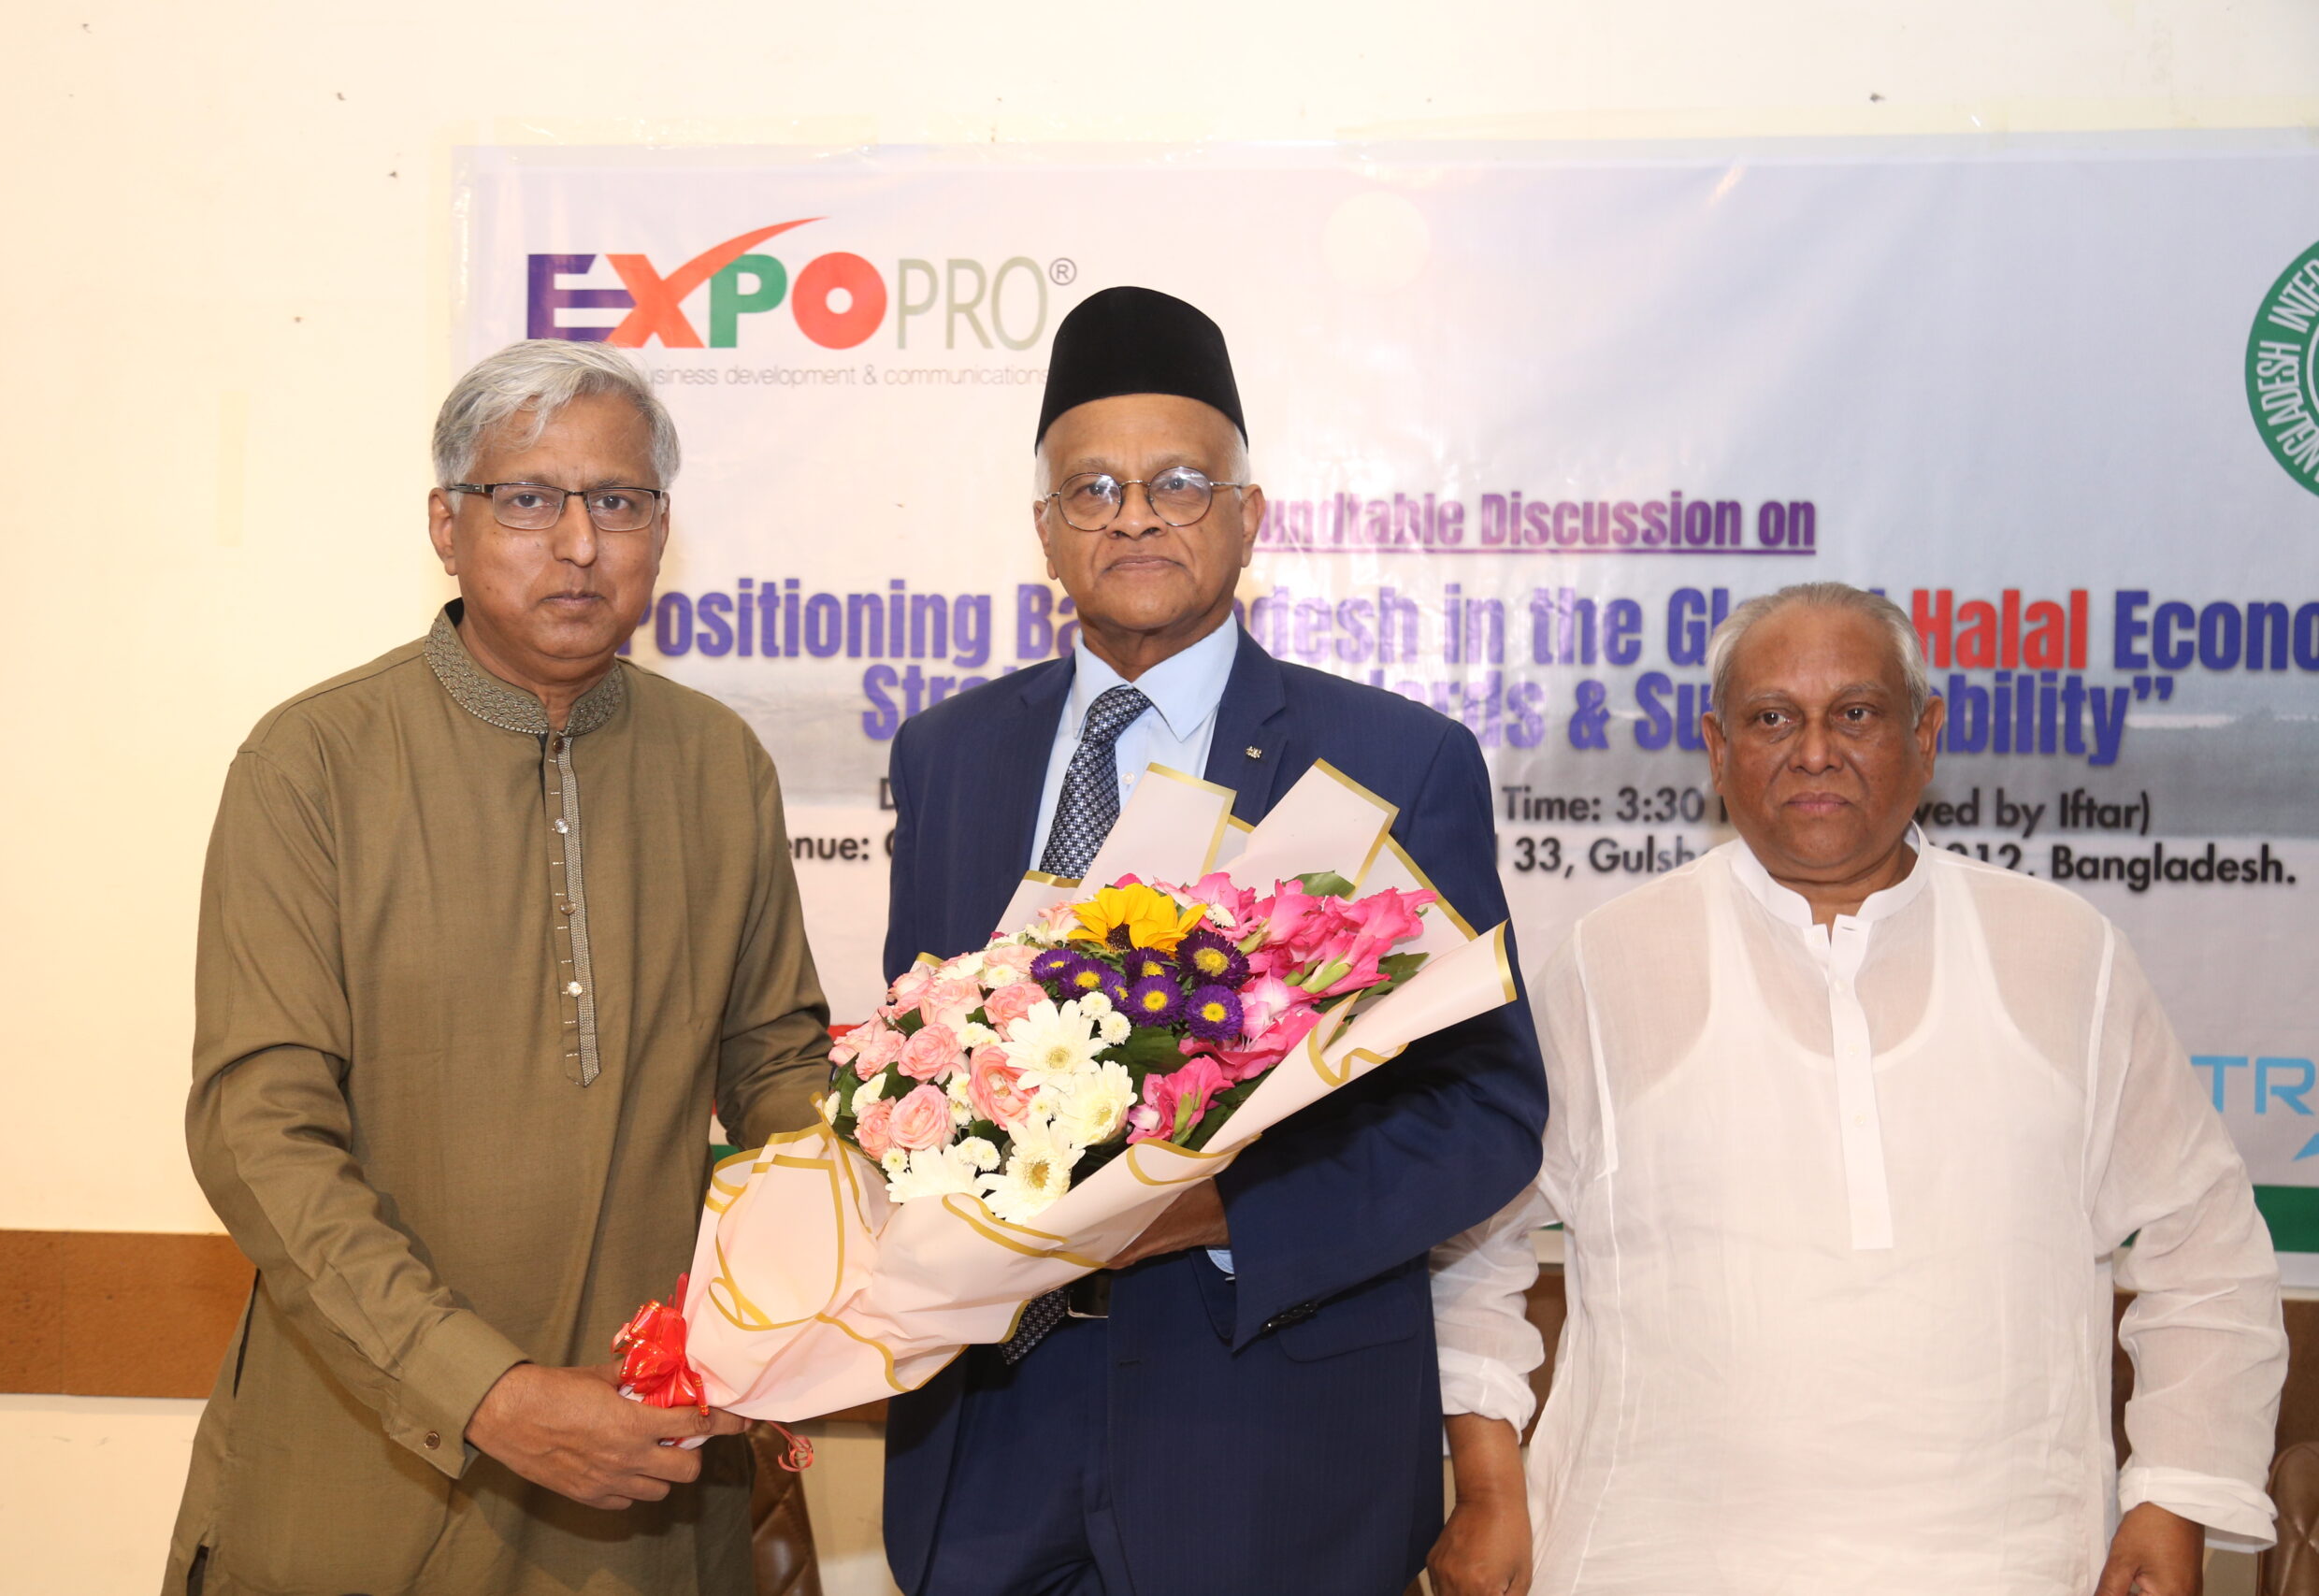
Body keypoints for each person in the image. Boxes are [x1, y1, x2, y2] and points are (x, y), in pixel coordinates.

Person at [878, 285, 1549, 1596]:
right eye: (1092, 488)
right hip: (992, 1445)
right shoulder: (949, 753)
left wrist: (1214, 1211)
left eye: (1179, 483)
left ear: (1250, 514)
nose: (1134, 514)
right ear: (1045, 529)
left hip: (1269, 1442)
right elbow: (917, 1064)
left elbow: (1483, 1115)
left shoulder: (1392, 760)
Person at [1428, 582, 2287, 1596]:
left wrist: (2173, 1498)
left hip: (2007, 1563)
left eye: (1856, 713)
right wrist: (1490, 1491)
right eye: (1772, 718)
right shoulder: (1606, 964)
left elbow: (2207, 1244)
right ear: (1717, 747)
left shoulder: (2064, 954)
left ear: (1925, 736)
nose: (1814, 751)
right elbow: (1471, 1242)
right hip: (1651, 1560)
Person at [165, 340, 832, 1594]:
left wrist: (899, 1219)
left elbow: (775, 1068)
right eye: (527, 499)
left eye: (617, 502)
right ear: (447, 524)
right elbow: (259, 1130)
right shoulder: (312, 763)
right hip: (371, 1470)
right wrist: (484, 1390)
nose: (578, 544)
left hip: (646, 1474)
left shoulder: (717, 763)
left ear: (661, 529)